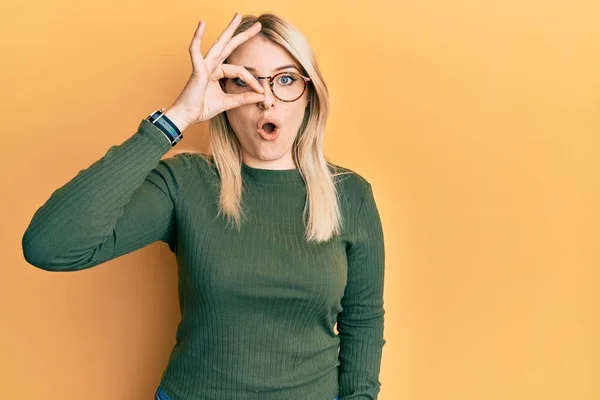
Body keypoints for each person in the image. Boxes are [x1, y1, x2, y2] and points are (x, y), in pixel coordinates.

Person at [22, 12, 386, 400]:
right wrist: (177, 117)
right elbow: (50, 245)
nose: (266, 99)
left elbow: (363, 321)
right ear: (223, 95)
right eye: (244, 81)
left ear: (309, 93)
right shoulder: (185, 183)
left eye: (285, 79)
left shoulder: (351, 195)